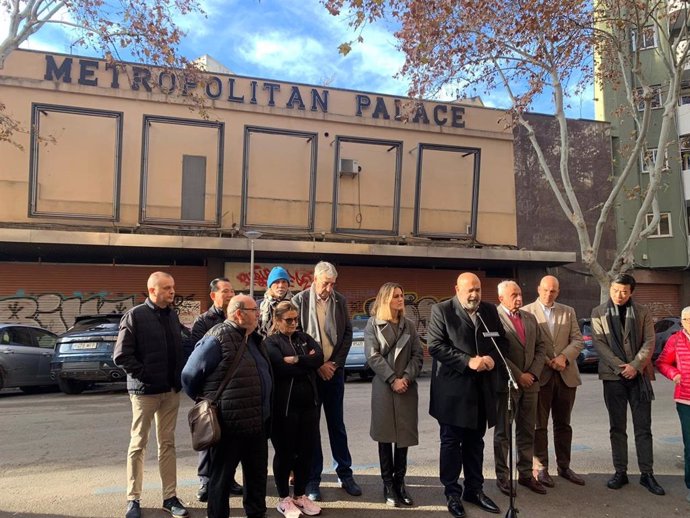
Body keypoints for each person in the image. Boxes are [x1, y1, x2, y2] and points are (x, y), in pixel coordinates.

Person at [181, 294, 272, 518]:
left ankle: (257, 514)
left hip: (257, 424)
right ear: (239, 313)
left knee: (257, 477)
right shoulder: (217, 338)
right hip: (228, 424)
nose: (258, 314)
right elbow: (189, 375)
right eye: (254, 310)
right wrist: (207, 401)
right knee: (221, 480)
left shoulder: (254, 338)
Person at [427, 272, 507, 518]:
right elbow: (435, 346)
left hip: (482, 391)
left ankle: (475, 489)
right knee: (451, 444)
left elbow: (502, 342)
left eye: (478, 289)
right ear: (457, 289)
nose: (474, 295)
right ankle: (452, 493)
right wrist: (468, 361)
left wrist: (492, 359)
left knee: (475, 443)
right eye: (469, 290)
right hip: (452, 392)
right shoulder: (442, 310)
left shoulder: (489, 311)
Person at [113, 271, 188, 518]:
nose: (172, 292)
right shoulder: (135, 316)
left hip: (170, 392)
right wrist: (146, 376)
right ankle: (133, 499)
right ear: (153, 291)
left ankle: (170, 497)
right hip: (145, 393)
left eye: (173, 287)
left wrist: (179, 378)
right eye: (167, 288)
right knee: (138, 444)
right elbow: (121, 355)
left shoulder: (173, 316)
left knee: (167, 444)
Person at [291, 261, 361, 501]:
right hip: (311, 374)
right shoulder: (299, 301)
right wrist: (318, 364)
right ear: (314, 280)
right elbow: (296, 335)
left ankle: (345, 473)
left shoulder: (339, 301)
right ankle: (313, 479)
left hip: (334, 372)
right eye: (325, 283)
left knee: (337, 425)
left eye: (332, 284)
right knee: (311, 428)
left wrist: (334, 364)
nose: (329, 289)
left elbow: (348, 333)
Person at [591, 273, 664, 495]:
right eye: (615, 290)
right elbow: (599, 344)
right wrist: (621, 367)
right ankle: (620, 471)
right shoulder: (598, 312)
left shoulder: (642, 312)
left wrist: (635, 366)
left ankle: (647, 473)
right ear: (610, 288)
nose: (619, 295)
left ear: (631, 291)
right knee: (617, 427)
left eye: (624, 291)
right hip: (613, 377)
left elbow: (650, 341)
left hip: (639, 376)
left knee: (643, 428)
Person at [522, 275, 586, 487]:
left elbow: (578, 339)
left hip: (566, 375)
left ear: (558, 292)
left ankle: (564, 466)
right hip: (541, 376)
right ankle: (541, 468)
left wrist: (564, 357)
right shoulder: (526, 312)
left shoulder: (568, 311)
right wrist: (547, 360)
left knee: (563, 424)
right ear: (538, 288)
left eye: (554, 291)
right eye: (546, 290)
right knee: (540, 425)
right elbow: (526, 345)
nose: (549, 294)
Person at [364, 282, 424, 507]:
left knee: (403, 438)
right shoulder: (373, 325)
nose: (401, 299)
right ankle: (388, 484)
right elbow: (373, 356)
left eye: (402, 296)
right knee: (385, 436)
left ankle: (400, 483)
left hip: (406, 387)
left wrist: (406, 378)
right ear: (386, 299)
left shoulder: (408, 325)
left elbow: (418, 355)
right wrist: (392, 379)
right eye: (397, 296)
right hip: (384, 387)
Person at [264, 301, 324, 517]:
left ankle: (299, 495)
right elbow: (279, 367)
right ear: (277, 320)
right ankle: (283, 498)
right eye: (288, 320)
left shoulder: (303, 338)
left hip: (309, 406)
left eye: (295, 319)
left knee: (306, 452)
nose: (293, 324)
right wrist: (305, 364)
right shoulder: (271, 342)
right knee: (285, 454)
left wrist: (298, 359)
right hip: (285, 409)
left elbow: (319, 357)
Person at [188, 277, 243, 502]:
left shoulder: (238, 319)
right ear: (213, 295)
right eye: (225, 291)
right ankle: (205, 481)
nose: (230, 295)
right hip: (211, 391)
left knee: (229, 439)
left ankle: (228, 478)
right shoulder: (203, 321)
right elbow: (195, 359)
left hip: (232, 391)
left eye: (232, 291)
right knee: (208, 436)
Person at [494, 281, 546, 496]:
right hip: (508, 385)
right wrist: (519, 375)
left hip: (531, 385)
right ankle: (503, 477)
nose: (518, 298)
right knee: (503, 433)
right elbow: (498, 352)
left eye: (520, 294)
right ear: (501, 298)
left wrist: (532, 373)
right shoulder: (493, 319)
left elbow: (541, 347)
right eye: (513, 295)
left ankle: (525, 474)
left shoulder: (530, 318)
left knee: (526, 431)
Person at [655, 306, 690, 503]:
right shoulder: (676, 339)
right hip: (686, 399)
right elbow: (662, 362)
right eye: (686, 319)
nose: (689, 323)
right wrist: (674, 374)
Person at [258, 266, 294, 337]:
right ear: (270, 286)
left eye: (284, 282)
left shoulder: (295, 303)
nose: (281, 285)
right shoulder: (259, 305)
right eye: (277, 282)